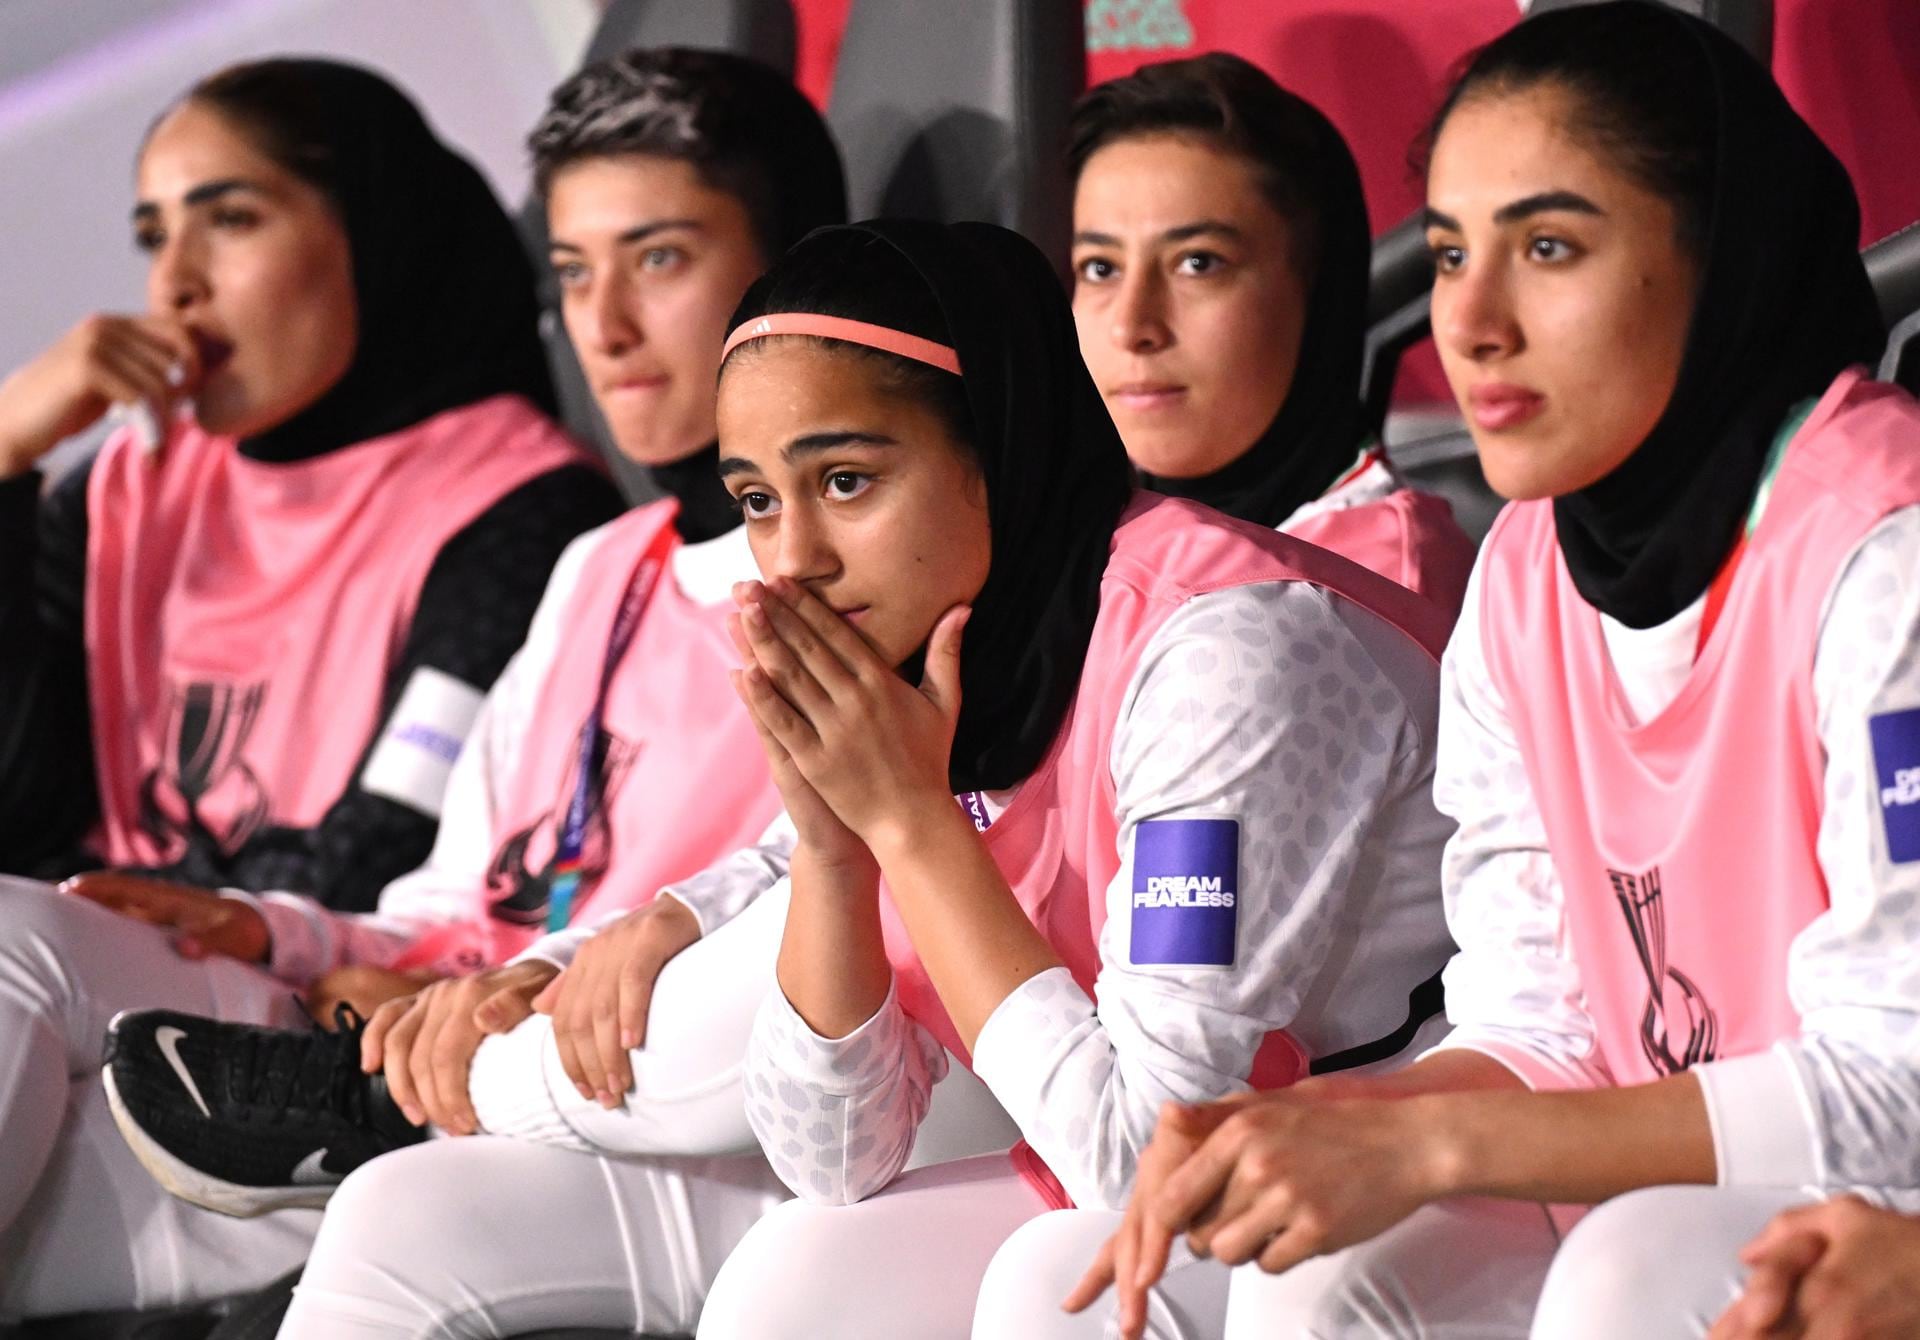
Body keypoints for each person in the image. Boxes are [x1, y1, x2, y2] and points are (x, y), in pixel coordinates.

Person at [1044, 6, 1919, 1337]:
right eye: (1452, 252)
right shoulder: (1528, 562)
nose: (1471, 320)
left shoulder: (1885, 545)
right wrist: (1340, 1117)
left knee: (1630, 1272)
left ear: (1717, 259)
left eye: (1549, 247)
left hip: (1875, 1209)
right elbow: (1543, 1023)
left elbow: (1900, 1084)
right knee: (1301, 1273)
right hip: (1676, 1174)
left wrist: (1433, 1141)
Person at [0, 51, 826, 1318]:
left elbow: (793, 909)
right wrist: (273, 929)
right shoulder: (607, 563)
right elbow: (446, 893)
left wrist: (471, 988)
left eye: (657, 259)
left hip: (572, 1078)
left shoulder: (793, 565)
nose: (603, 325)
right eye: (572, 272)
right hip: (403, 1027)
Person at [668, 218, 1457, 1340]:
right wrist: (837, 848)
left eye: (845, 481)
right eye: (757, 500)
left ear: (999, 449)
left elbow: (1143, 1154)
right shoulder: (941, 672)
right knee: (796, 1279)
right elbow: (833, 1158)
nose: (795, 559)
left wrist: (912, 822)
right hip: (1214, 1160)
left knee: (1057, 1286)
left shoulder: (1228, 653)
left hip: (1431, 1159)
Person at [1068, 54, 1475, 614]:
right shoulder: (1074, 539)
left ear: (1318, 290)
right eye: (1100, 268)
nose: (1131, 325)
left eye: (1198, 263)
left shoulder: (1370, 586)